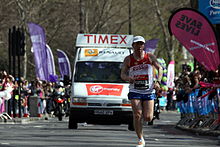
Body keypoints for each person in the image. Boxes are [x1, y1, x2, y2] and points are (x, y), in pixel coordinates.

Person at [121, 36, 163, 147]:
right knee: (137, 115)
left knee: (148, 117)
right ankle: (140, 139)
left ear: (143, 45)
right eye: (137, 44)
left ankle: (140, 125)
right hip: (135, 90)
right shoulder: (128, 59)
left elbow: (160, 68)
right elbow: (122, 74)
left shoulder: (149, 57)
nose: (139, 46)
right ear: (133, 46)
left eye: (141, 44)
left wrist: (158, 81)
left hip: (148, 90)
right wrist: (128, 78)